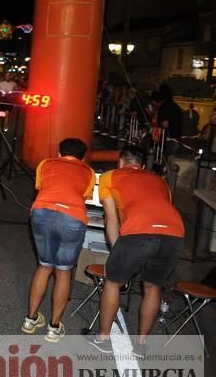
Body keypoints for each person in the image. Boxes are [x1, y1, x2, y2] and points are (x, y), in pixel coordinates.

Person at [87, 146, 185, 358]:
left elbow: (111, 218)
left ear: (121, 162)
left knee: (113, 282)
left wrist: (117, 251)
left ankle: (103, 338)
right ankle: (141, 345)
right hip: (174, 233)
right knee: (152, 288)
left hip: (140, 233)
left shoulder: (110, 176)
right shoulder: (160, 180)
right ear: (142, 165)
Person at [21, 138, 95, 342]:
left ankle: (30, 319)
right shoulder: (87, 171)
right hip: (72, 217)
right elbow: (85, 197)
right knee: (63, 272)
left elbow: (40, 187)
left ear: (59, 152)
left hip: (42, 212)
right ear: (82, 157)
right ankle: (53, 328)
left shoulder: (46, 163)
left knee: (44, 266)